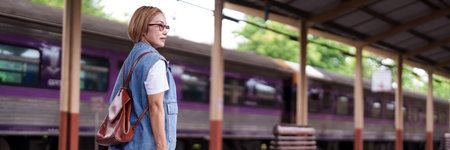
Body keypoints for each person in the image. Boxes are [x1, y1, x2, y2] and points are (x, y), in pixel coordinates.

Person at [108, 6, 178, 150]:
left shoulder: (131, 60)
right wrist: (162, 147)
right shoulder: (155, 61)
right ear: (142, 28)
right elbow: (156, 107)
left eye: (166, 26)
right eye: (159, 25)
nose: (165, 31)